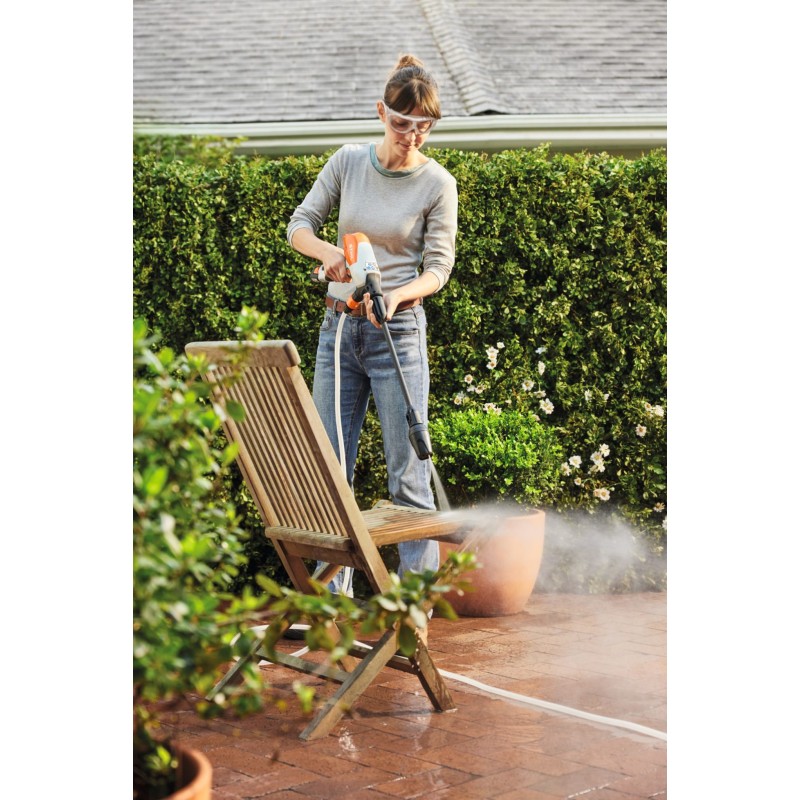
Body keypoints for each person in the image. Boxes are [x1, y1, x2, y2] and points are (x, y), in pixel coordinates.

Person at [286, 54, 458, 595]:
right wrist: (328, 254)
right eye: (402, 123)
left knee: (408, 473)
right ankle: (332, 604)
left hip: (398, 337)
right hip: (339, 332)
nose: (412, 136)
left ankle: (413, 604)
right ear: (381, 113)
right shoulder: (348, 162)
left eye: (424, 127)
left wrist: (399, 296)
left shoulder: (437, 183)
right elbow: (299, 225)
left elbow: (438, 268)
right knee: (331, 472)